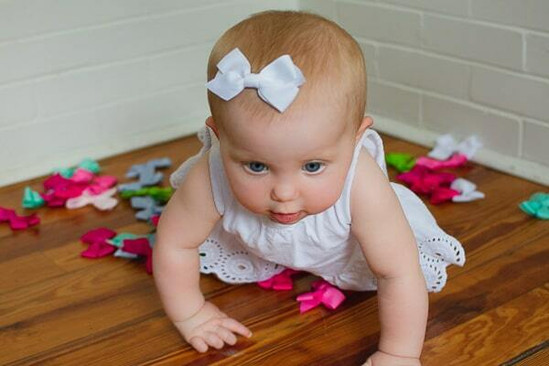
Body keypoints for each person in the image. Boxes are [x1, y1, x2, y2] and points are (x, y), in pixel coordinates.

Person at [153, 10, 465, 365]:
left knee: (397, 266)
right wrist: (191, 313)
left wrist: (399, 353)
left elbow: (397, 272)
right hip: (264, 245)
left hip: (350, 254)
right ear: (220, 138)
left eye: (312, 166)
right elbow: (176, 242)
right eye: (257, 166)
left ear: (355, 139)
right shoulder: (209, 176)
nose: (284, 193)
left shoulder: (362, 185)